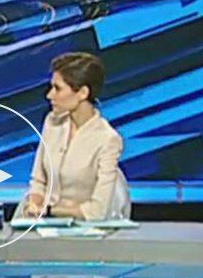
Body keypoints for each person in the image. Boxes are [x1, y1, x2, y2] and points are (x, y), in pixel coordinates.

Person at [21, 52, 129, 221]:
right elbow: (39, 181)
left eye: (57, 88)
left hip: (82, 230)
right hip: (43, 224)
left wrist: (50, 210)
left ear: (82, 93)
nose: (49, 95)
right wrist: (34, 203)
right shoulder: (52, 122)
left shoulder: (108, 140)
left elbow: (97, 212)